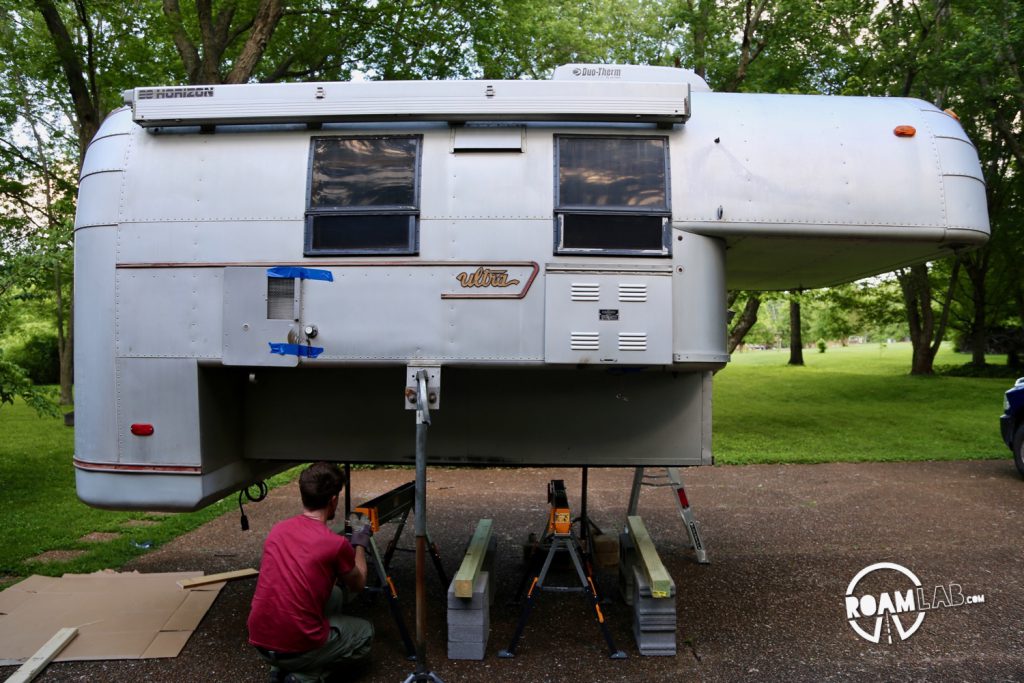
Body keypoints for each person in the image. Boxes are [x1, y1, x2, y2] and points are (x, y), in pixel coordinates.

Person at [248, 462, 374, 683]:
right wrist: (360, 541)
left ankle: (279, 670)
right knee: (365, 634)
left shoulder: (278, 530)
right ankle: (305, 675)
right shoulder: (334, 545)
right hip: (296, 647)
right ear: (333, 500)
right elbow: (358, 583)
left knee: (333, 594)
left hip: (260, 643)